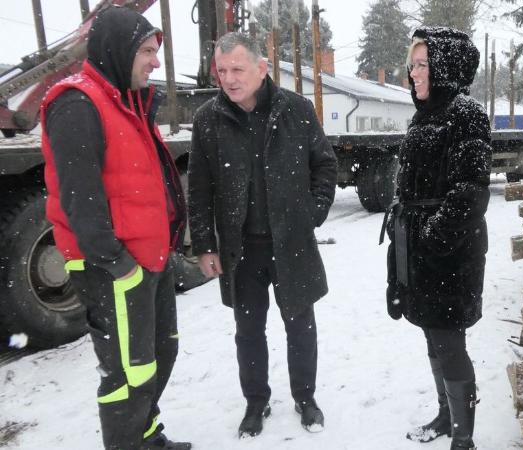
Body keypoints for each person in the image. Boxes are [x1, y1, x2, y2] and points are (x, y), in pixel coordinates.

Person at [39, 6, 189, 450]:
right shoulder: (77, 103)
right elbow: (79, 195)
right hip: (115, 268)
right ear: (118, 51)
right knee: (127, 372)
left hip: (147, 261)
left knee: (160, 354)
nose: (155, 62)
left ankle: (145, 434)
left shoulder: (127, 101)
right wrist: (117, 262)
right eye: (147, 51)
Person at [187, 32, 337, 438]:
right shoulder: (208, 119)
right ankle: (256, 402)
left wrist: (313, 212)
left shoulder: (296, 109)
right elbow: (199, 188)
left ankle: (306, 398)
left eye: (237, 69)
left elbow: (324, 166)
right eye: (222, 71)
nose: (229, 79)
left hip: (291, 244)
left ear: (261, 68)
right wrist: (203, 243)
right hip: (242, 250)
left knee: (300, 324)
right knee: (248, 331)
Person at [383, 27, 492, 450]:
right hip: (420, 253)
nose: (413, 73)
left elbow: (470, 192)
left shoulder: (467, 114)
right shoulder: (422, 115)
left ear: (444, 67)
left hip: (451, 255)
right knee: (432, 334)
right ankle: (447, 417)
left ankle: (464, 440)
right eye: (412, 64)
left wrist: (431, 238)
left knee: (449, 341)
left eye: (422, 63)